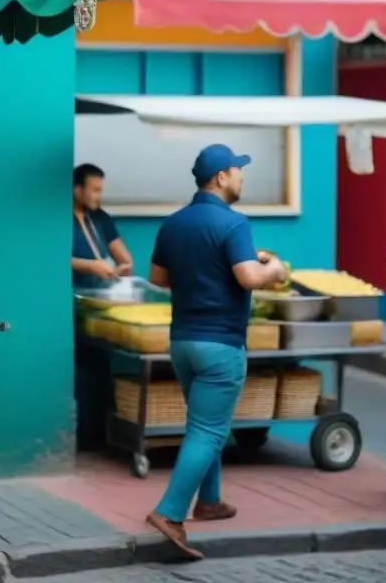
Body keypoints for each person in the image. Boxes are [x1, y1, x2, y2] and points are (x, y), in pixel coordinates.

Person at [144, 144, 287, 560]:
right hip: (221, 343)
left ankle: (210, 501)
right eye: (237, 170)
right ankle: (170, 513)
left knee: (205, 424)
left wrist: (209, 272)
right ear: (221, 178)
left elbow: (159, 277)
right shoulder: (234, 222)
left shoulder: (173, 223)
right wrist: (273, 270)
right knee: (207, 431)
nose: (243, 176)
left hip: (183, 341)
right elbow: (247, 277)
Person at [72, 163, 133, 288]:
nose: (99, 197)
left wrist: (124, 267)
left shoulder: (101, 217)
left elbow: (124, 259)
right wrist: (89, 266)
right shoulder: (55, 221)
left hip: (100, 295)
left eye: (101, 190)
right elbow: (49, 260)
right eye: (95, 191)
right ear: (77, 190)